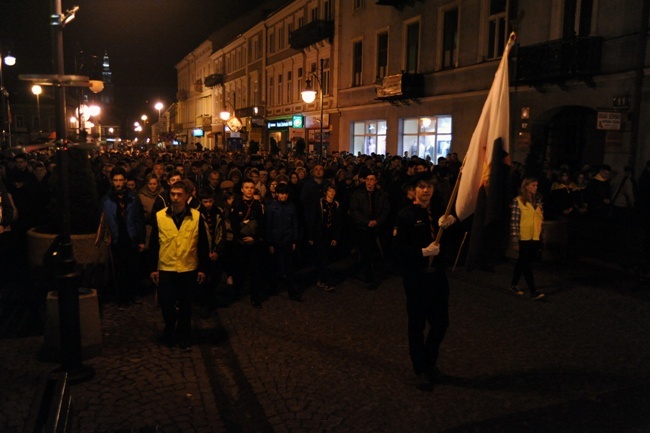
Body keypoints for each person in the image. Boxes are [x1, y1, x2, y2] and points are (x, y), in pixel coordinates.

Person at [393, 172, 456, 392]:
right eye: (421, 186)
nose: (426, 190)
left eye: (429, 186)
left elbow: (454, 240)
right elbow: (398, 251)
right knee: (417, 325)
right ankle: (421, 369)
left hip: (437, 276)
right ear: (414, 190)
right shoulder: (406, 215)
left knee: (441, 322)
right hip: (416, 277)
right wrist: (421, 252)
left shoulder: (440, 212)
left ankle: (430, 360)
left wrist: (452, 222)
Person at [149, 180, 210, 350]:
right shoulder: (161, 216)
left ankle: (184, 335)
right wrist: (153, 268)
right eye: (172, 194)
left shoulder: (196, 216)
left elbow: (202, 244)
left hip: (187, 267)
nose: (175, 198)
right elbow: (154, 243)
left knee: (186, 304)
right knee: (166, 303)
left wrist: (203, 268)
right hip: (167, 267)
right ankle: (170, 327)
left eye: (179, 195)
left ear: (187, 196)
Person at [99, 167, 147, 305]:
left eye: (121, 180)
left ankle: (134, 293)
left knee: (133, 268)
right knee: (119, 271)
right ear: (112, 181)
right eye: (116, 180)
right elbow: (102, 221)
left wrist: (141, 239)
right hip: (115, 239)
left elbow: (139, 219)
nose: (118, 183)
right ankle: (121, 297)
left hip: (130, 238)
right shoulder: (106, 199)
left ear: (125, 181)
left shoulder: (133, 197)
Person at [349, 167, 390, 289]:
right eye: (367, 179)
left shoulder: (381, 195)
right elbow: (354, 210)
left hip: (377, 227)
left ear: (376, 181)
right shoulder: (358, 194)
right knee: (365, 252)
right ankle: (368, 276)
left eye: (372, 179)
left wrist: (377, 221)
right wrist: (367, 222)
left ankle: (375, 274)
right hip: (362, 228)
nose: (369, 182)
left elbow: (385, 210)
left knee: (375, 252)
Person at [230, 177, 266, 308]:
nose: (249, 190)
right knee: (239, 270)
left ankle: (255, 297)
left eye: (251, 188)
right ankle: (236, 293)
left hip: (254, 244)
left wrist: (255, 239)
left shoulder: (257, 205)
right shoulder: (237, 204)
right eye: (247, 188)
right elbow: (234, 224)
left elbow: (262, 225)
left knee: (255, 272)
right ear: (242, 189)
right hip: (240, 243)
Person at [509, 177, 545, 301]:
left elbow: (540, 219)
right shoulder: (518, 201)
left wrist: (541, 234)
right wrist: (515, 239)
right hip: (523, 237)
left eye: (536, 185)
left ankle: (513, 284)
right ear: (526, 186)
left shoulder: (537, 201)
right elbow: (514, 221)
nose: (536, 187)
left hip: (534, 236)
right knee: (526, 263)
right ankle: (533, 290)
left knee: (522, 261)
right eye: (533, 185)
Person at [265, 183, 302, 301]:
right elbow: (268, 226)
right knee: (274, 266)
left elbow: (295, 224)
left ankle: (292, 291)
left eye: (285, 193)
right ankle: (273, 287)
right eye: (281, 193)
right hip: (275, 241)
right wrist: (270, 243)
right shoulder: (271, 207)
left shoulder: (291, 206)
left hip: (287, 239)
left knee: (289, 267)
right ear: (277, 194)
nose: (283, 196)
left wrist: (294, 239)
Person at [306, 184, 342, 291]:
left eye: (333, 191)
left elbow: (338, 222)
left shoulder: (336, 204)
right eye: (329, 191)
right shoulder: (319, 203)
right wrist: (311, 236)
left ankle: (322, 277)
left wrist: (336, 237)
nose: (331, 193)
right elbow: (313, 219)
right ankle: (324, 280)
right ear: (326, 192)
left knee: (327, 258)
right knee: (323, 258)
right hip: (320, 234)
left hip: (330, 234)